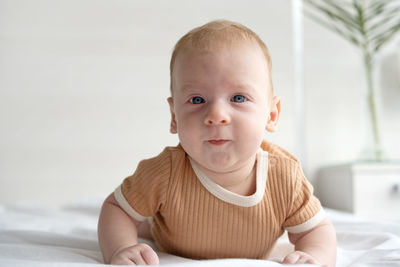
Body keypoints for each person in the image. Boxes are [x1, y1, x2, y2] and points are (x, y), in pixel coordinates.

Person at [98, 19, 337, 266]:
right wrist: (122, 247)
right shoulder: (165, 172)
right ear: (174, 117)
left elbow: (315, 230)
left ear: (271, 115)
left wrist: (315, 257)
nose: (216, 115)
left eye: (238, 97)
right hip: (168, 234)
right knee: (146, 224)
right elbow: (117, 209)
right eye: (197, 99)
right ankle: (151, 223)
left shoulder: (285, 177)